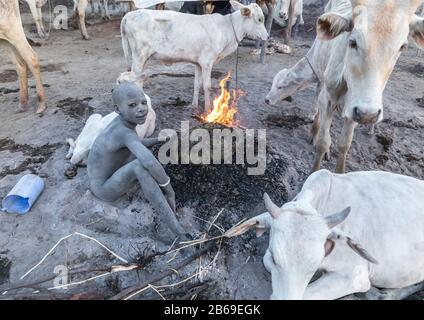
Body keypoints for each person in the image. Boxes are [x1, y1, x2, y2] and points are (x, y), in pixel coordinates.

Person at [87, 82, 190, 242]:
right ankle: (179, 233)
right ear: (117, 109)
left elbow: (136, 141)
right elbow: (148, 162)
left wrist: (160, 139)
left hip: (107, 174)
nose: (141, 108)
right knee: (141, 166)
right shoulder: (124, 132)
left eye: (143, 102)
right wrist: (169, 190)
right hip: (104, 189)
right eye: (132, 105)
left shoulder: (122, 124)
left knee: (142, 156)